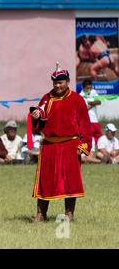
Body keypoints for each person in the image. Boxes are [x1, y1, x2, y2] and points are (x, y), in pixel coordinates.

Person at [30, 64, 92, 222]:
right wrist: (36, 118)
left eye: (61, 82)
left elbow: (86, 125)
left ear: (68, 81)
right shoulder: (47, 98)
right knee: (45, 180)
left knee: (70, 181)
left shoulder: (77, 100)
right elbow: (40, 122)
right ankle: (41, 214)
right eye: (55, 83)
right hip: (49, 145)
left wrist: (83, 146)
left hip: (70, 145)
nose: (57, 86)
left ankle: (69, 214)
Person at [79, 79, 102, 156]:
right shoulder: (80, 96)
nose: (89, 90)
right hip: (87, 121)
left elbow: (99, 101)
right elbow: (83, 109)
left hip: (94, 120)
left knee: (98, 138)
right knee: (89, 138)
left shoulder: (93, 92)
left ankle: (99, 154)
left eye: (90, 88)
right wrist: (92, 102)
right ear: (83, 87)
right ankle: (88, 156)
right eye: (87, 88)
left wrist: (89, 102)